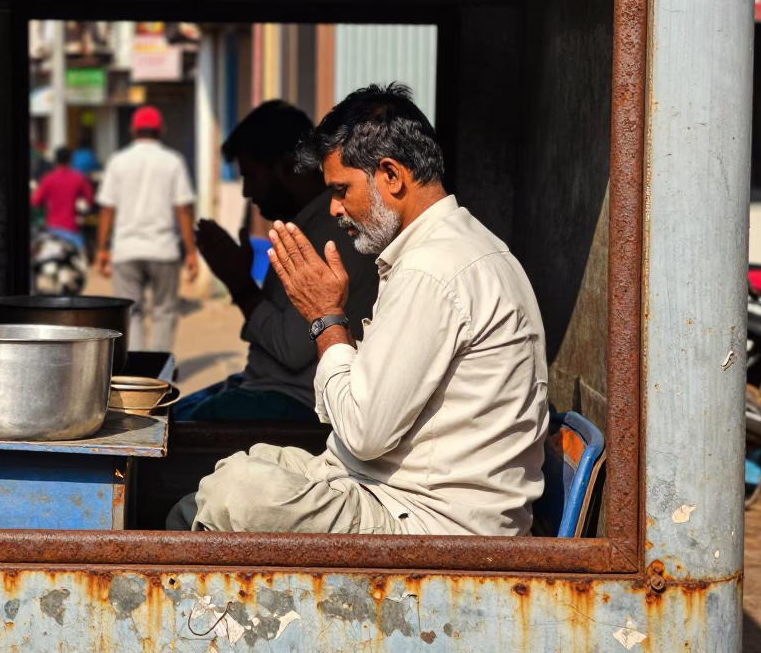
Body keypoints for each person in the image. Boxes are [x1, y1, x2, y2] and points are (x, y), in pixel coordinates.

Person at [168, 84, 548, 536]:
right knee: (230, 478)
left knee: (237, 491)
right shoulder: (444, 253)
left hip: (431, 524)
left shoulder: (434, 269)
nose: (334, 207)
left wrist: (325, 319)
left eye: (341, 190)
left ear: (391, 175)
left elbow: (364, 433)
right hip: (384, 487)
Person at [177, 101, 378, 421]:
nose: (246, 192)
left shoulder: (332, 234)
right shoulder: (304, 226)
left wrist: (240, 285)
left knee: (174, 432)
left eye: (251, 176)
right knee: (170, 415)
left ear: (286, 168)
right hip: (268, 389)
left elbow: (292, 348)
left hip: (297, 402)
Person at [96, 106, 198, 352]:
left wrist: (101, 248)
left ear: (132, 130)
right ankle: (158, 374)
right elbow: (183, 209)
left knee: (131, 314)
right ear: (161, 130)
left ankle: (138, 373)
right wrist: (191, 251)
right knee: (164, 312)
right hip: (163, 250)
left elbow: (107, 209)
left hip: (126, 251)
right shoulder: (173, 161)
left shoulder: (118, 161)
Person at [31, 146, 94, 252]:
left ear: (56, 160)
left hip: (52, 231)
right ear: (70, 160)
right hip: (71, 231)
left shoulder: (47, 179)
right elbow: (89, 199)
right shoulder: (78, 178)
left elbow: (35, 201)